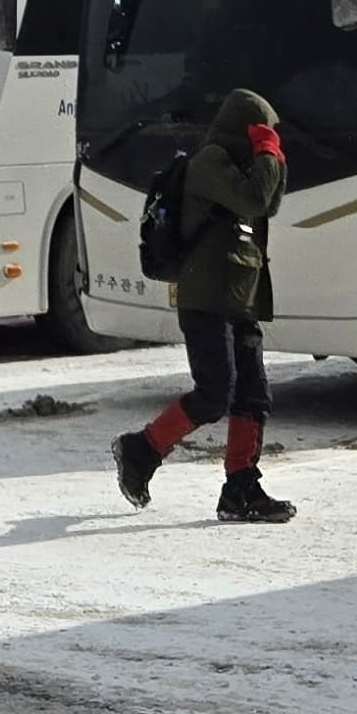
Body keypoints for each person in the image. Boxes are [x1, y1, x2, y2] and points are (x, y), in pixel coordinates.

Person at [112, 86, 293, 524]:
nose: (266, 140)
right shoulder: (210, 162)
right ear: (242, 128)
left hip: (241, 298)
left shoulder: (242, 167)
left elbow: (269, 202)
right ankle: (141, 448)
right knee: (215, 394)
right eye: (261, 131)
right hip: (206, 300)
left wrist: (273, 157)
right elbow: (253, 199)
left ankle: (240, 489)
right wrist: (267, 155)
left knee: (254, 396)